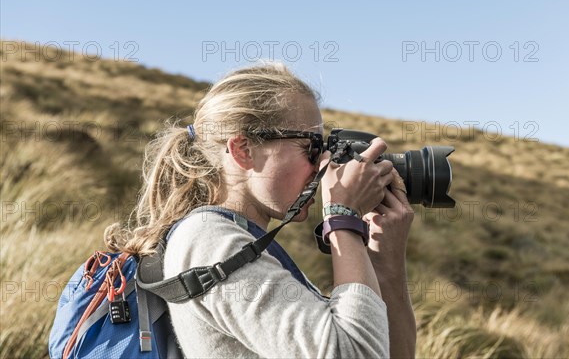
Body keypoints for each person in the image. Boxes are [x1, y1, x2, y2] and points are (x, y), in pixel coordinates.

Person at [105, 62, 417, 358]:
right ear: (243, 150)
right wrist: (342, 217)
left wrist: (385, 264)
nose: (323, 163)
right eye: (311, 147)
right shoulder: (209, 241)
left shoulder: (241, 241)